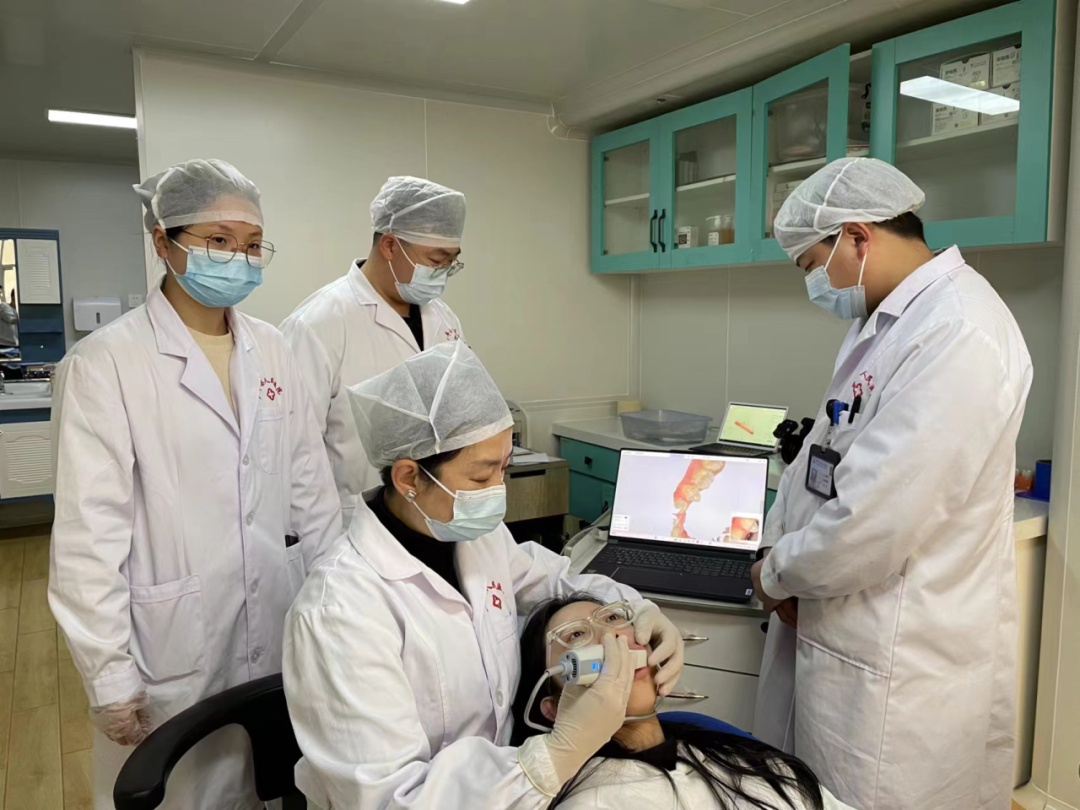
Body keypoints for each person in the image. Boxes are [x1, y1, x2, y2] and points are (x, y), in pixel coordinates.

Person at [48, 159, 342, 809]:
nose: (239, 259)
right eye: (218, 240)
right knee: (182, 789)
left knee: (269, 783)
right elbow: (87, 538)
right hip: (170, 637)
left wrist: (337, 609)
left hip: (275, 614)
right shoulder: (105, 363)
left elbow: (311, 492)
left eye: (252, 244)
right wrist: (108, 674)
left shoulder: (273, 349)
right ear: (163, 241)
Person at [282, 342, 686, 808]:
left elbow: (558, 581)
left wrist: (637, 607)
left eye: (504, 469)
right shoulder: (340, 611)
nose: (498, 492)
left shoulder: (476, 539)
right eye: (480, 478)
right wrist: (554, 756)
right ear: (408, 478)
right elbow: (391, 799)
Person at [750, 157, 1032, 810]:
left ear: (857, 236)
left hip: (899, 656)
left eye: (810, 264)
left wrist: (778, 574)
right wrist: (775, 547)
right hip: (841, 621)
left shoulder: (960, 330)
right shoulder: (884, 324)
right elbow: (821, 451)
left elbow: (875, 518)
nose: (814, 283)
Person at [511, 593, 857, 810]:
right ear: (553, 708)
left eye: (614, 618)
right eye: (576, 635)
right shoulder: (592, 801)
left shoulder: (734, 758)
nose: (613, 636)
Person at [281, 176, 468, 524]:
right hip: (349, 521)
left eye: (450, 263)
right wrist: (317, 533)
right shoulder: (318, 324)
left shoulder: (444, 320)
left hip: (430, 518)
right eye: (436, 260)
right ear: (390, 246)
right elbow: (294, 449)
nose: (442, 273)